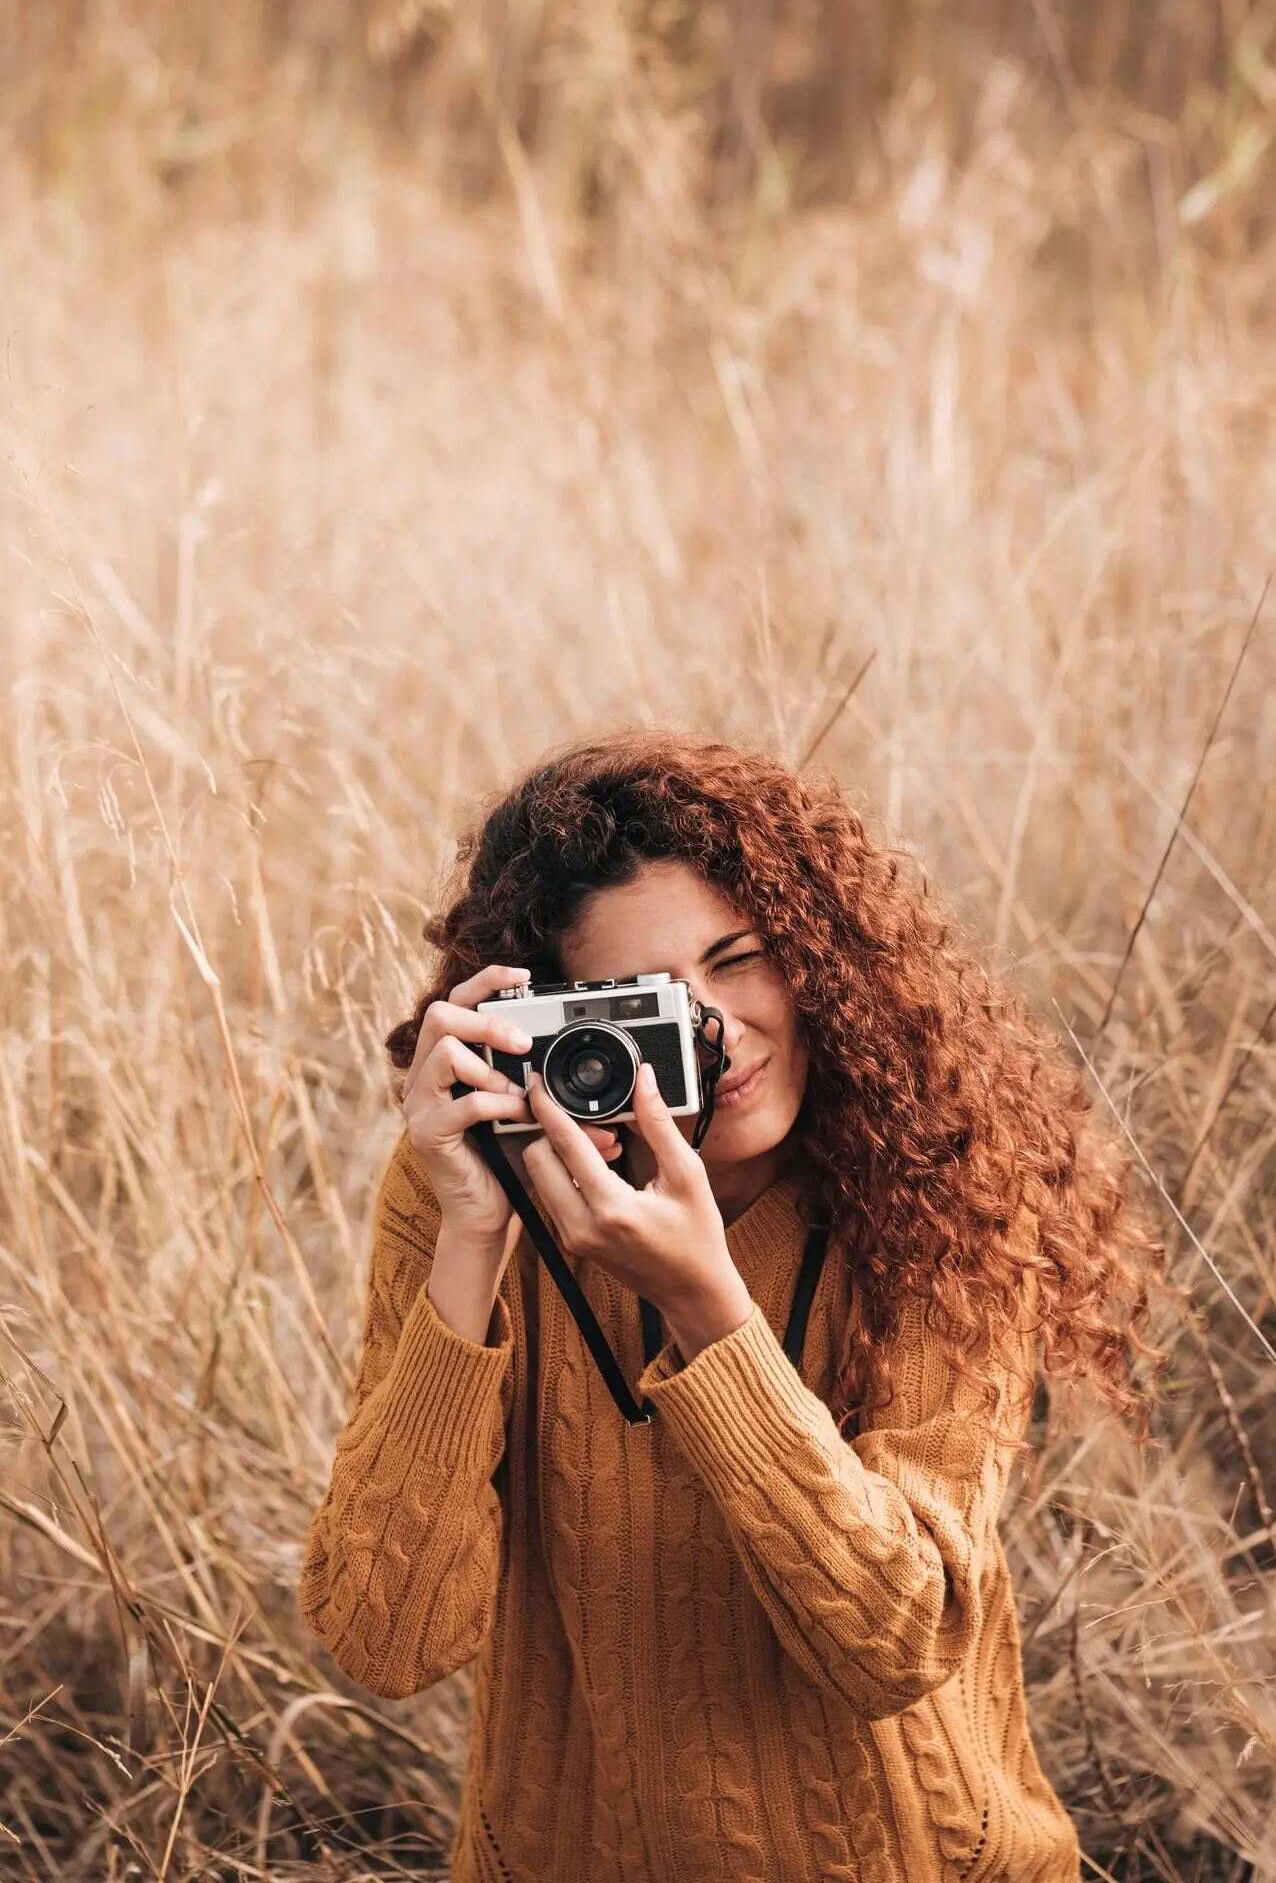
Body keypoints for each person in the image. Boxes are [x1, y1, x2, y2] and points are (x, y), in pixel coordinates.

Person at [298, 731, 1161, 1882]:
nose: (717, 1029)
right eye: (645, 999)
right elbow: (387, 1636)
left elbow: (896, 1641)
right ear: (557, 1021)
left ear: (820, 956)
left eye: (739, 957)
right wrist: (470, 1236)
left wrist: (710, 1313)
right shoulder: (479, 1195)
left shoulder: (937, 1185)